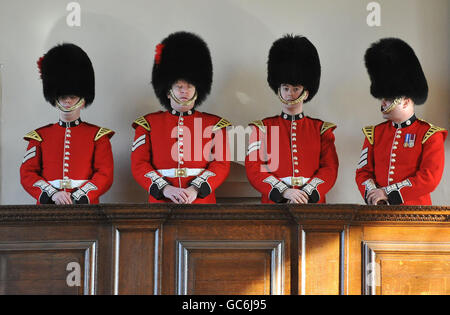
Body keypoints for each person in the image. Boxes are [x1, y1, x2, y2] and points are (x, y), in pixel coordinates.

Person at [131, 31, 231, 204]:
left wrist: (195, 190)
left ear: (198, 90)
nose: (184, 91)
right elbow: (139, 165)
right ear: (168, 92)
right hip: (162, 202)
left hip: (201, 202)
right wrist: (166, 189)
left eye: (190, 86)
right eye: (179, 86)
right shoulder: (147, 124)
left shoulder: (215, 125)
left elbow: (220, 164)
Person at [245, 34, 339, 204]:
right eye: (285, 88)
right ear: (278, 89)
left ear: (306, 92)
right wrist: (284, 192)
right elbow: (254, 168)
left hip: (311, 205)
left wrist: (307, 193)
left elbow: (330, 169)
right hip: (276, 205)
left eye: (295, 88)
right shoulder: (262, 128)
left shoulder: (321, 130)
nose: (289, 93)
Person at [355, 38, 447, 205]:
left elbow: (429, 177)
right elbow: (363, 172)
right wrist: (374, 195)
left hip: (415, 217)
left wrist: (388, 193)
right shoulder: (374, 134)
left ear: (405, 101)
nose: (383, 103)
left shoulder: (429, 135)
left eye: (388, 98)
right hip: (378, 214)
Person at [20, 43, 114, 205]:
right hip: (48, 208)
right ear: (55, 99)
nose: (68, 101)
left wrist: (79, 196)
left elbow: (105, 174)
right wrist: (52, 195)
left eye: (73, 96)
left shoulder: (98, 136)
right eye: (63, 97)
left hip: (85, 207)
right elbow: (28, 174)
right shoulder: (39, 137)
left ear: (83, 100)